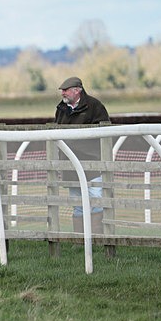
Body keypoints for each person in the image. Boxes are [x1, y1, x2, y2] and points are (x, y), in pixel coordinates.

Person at [54, 76, 110, 235]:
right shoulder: (61, 109)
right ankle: (80, 239)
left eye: (66, 90)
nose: (63, 93)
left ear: (77, 90)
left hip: (91, 162)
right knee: (77, 202)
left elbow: (103, 132)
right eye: (62, 91)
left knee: (96, 198)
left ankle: (98, 238)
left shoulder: (95, 106)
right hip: (69, 163)